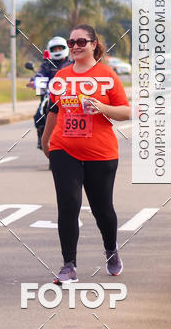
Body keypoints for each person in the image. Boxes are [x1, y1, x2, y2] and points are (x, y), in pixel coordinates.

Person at [41, 24, 131, 283]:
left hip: (101, 152)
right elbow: (54, 111)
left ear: (93, 44)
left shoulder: (106, 75)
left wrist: (102, 107)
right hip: (64, 149)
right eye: (71, 42)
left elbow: (125, 112)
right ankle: (69, 265)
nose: (75, 46)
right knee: (68, 205)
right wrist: (46, 142)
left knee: (102, 209)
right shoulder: (61, 77)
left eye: (81, 42)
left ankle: (111, 249)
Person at [27, 37, 71, 149]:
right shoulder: (47, 65)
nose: (57, 51)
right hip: (49, 96)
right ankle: (41, 138)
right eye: (54, 49)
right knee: (38, 116)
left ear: (65, 48)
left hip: (68, 97)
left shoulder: (72, 64)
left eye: (59, 48)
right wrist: (34, 81)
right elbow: (40, 74)